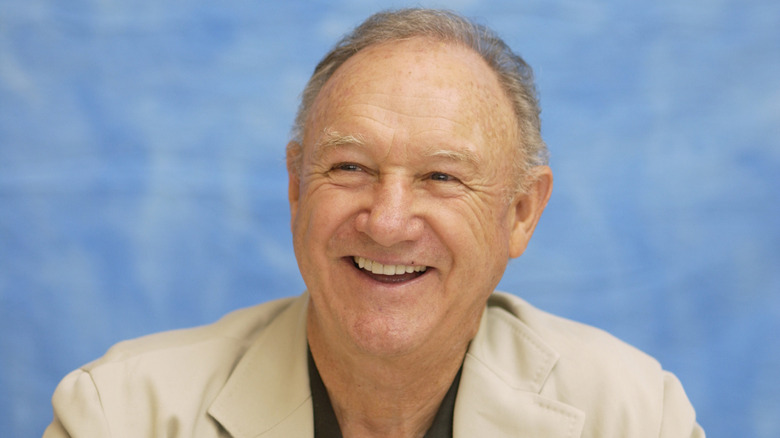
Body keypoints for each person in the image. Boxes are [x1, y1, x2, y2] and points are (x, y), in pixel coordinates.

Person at [44, 8, 704, 438]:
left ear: (521, 213)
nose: (387, 224)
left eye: (441, 177)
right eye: (350, 168)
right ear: (296, 188)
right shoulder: (120, 414)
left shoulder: (634, 416)